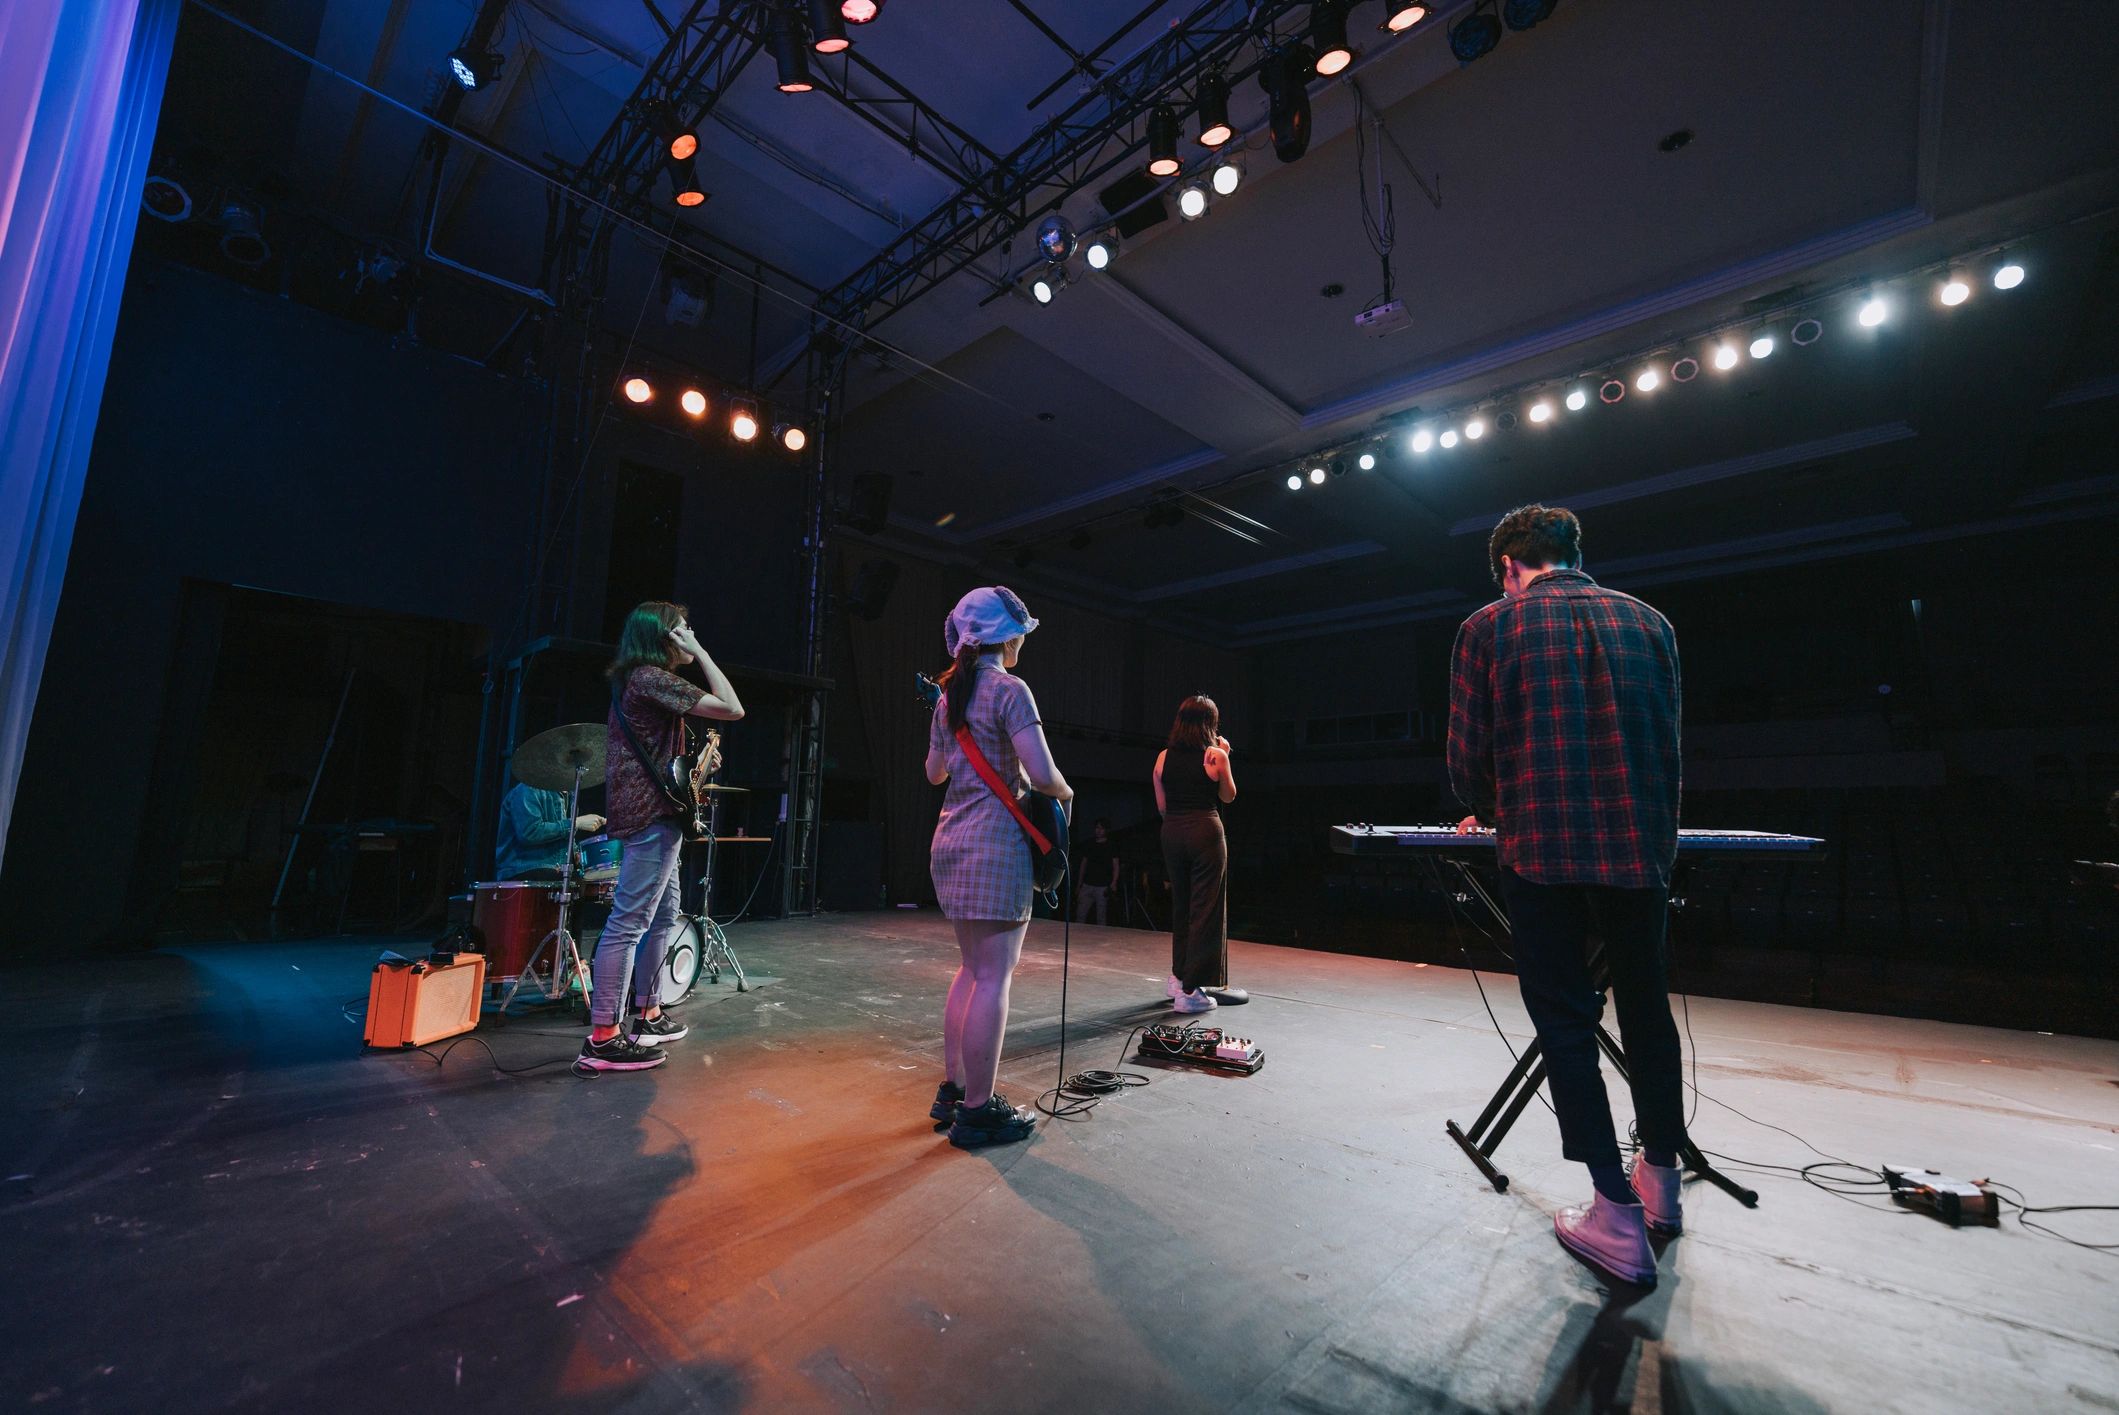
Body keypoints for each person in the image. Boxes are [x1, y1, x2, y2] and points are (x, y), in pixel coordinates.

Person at [1447, 504, 1686, 1289]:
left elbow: (1467, 761)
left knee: (1565, 1020)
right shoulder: (1651, 624)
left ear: (1510, 567)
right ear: (1572, 554)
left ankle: (1613, 1216)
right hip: (1637, 847)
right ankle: (1660, 1180)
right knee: (1646, 1010)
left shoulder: (1489, 625)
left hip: (1541, 850)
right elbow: (1669, 750)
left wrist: (1489, 803)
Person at [924, 586, 1073, 1148]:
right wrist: (1068, 793)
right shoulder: (1011, 691)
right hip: (994, 845)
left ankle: (953, 1092)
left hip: (950, 841)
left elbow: (934, 774)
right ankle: (979, 1112)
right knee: (993, 976)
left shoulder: (947, 699)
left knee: (970, 969)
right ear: (1004, 638)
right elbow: (1042, 775)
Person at [577, 601, 744, 1074]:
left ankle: (646, 1013)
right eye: (683, 629)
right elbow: (733, 707)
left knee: (663, 913)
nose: (690, 633)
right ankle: (605, 1039)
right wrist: (702, 651)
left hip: (653, 813)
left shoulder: (640, 680)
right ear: (664, 637)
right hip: (650, 816)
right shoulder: (650, 677)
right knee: (630, 922)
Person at [1153, 696, 1245, 1013]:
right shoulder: (1215, 755)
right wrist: (1226, 757)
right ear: (1211, 723)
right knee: (1205, 909)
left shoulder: (1163, 757)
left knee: (1182, 905)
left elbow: (1162, 807)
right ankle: (1190, 992)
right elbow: (1229, 796)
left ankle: (1179, 978)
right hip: (1205, 830)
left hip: (1173, 832)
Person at [492, 781, 603, 881]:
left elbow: (562, 839)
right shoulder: (528, 788)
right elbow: (530, 832)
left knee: (590, 883)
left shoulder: (568, 795)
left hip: (554, 870)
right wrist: (575, 823)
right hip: (526, 869)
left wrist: (576, 855)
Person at [1074, 818, 1120, 924]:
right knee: (1080, 915)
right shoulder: (1090, 844)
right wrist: (1079, 884)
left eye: (1101, 828)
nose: (1098, 830)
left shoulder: (1111, 845)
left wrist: (1114, 882)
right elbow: (1083, 864)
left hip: (1102, 886)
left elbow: (1116, 865)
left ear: (1106, 830)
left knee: (1101, 917)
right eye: (1097, 828)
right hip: (1087, 884)